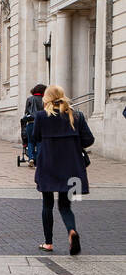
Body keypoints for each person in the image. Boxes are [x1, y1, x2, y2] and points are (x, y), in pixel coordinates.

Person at [32, 84, 92, 255]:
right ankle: (71, 231)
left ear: (47, 98)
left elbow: (35, 137)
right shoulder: (76, 115)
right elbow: (89, 140)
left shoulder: (42, 116)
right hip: (71, 166)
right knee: (65, 206)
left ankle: (48, 242)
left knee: (47, 204)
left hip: (48, 164)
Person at [22, 83, 48, 164]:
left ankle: (31, 158)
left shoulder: (29, 99)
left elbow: (26, 112)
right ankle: (40, 160)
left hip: (31, 123)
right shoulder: (45, 100)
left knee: (30, 141)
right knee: (40, 141)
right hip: (42, 124)